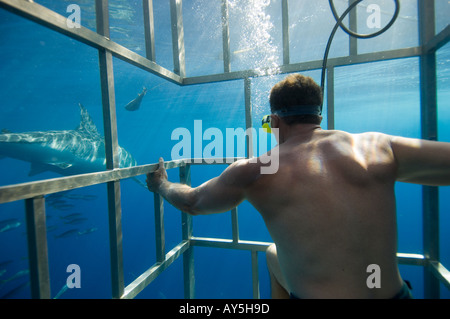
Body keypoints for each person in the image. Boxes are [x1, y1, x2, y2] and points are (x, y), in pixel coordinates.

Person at [146, 73, 450, 299]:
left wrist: (161, 184)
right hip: (393, 297)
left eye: (268, 125)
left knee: (271, 254)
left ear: (274, 121)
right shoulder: (377, 146)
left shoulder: (257, 169)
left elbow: (192, 202)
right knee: (272, 253)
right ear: (318, 115)